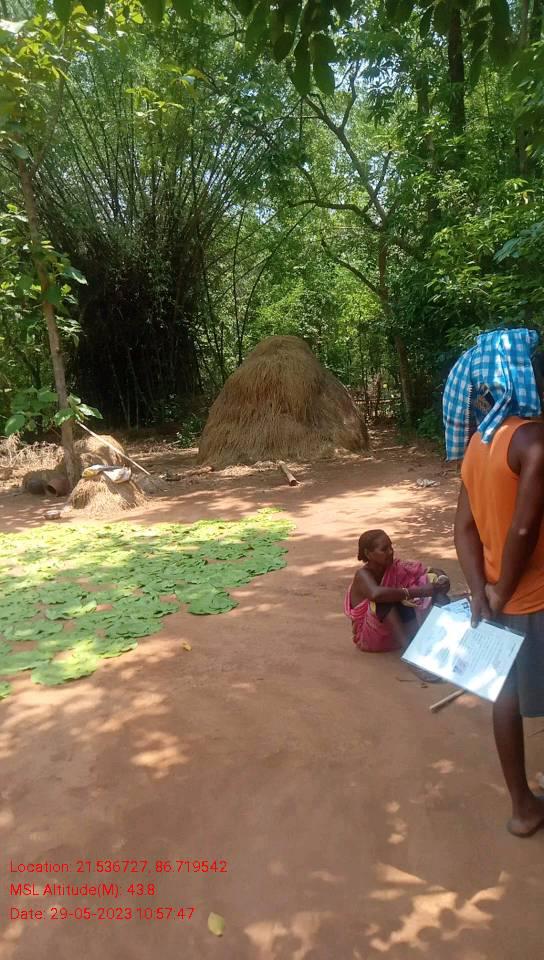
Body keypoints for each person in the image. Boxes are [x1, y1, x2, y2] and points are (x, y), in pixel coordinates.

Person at [444, 327, 544, 837]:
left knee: (505, 698)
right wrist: (503, 590)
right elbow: (524, 529)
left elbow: (463, 528)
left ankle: (523, 807)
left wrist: (481, 592)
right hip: (534, 597)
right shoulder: (532, 440)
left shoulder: (479, 444)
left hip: (493, 597)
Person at [345, 529, 450, 656]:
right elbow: (376, 594)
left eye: (391, 547)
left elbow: (430, 571)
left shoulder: (396, 567)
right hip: (370, 637)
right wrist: (420, 591)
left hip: (393, 633)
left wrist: (441, 580)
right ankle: (411, 653)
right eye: (384, 549)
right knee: (383, 602)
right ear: (368, 553)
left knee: (435, 591)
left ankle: (449, 640)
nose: (390, 552)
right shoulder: (362, 575)